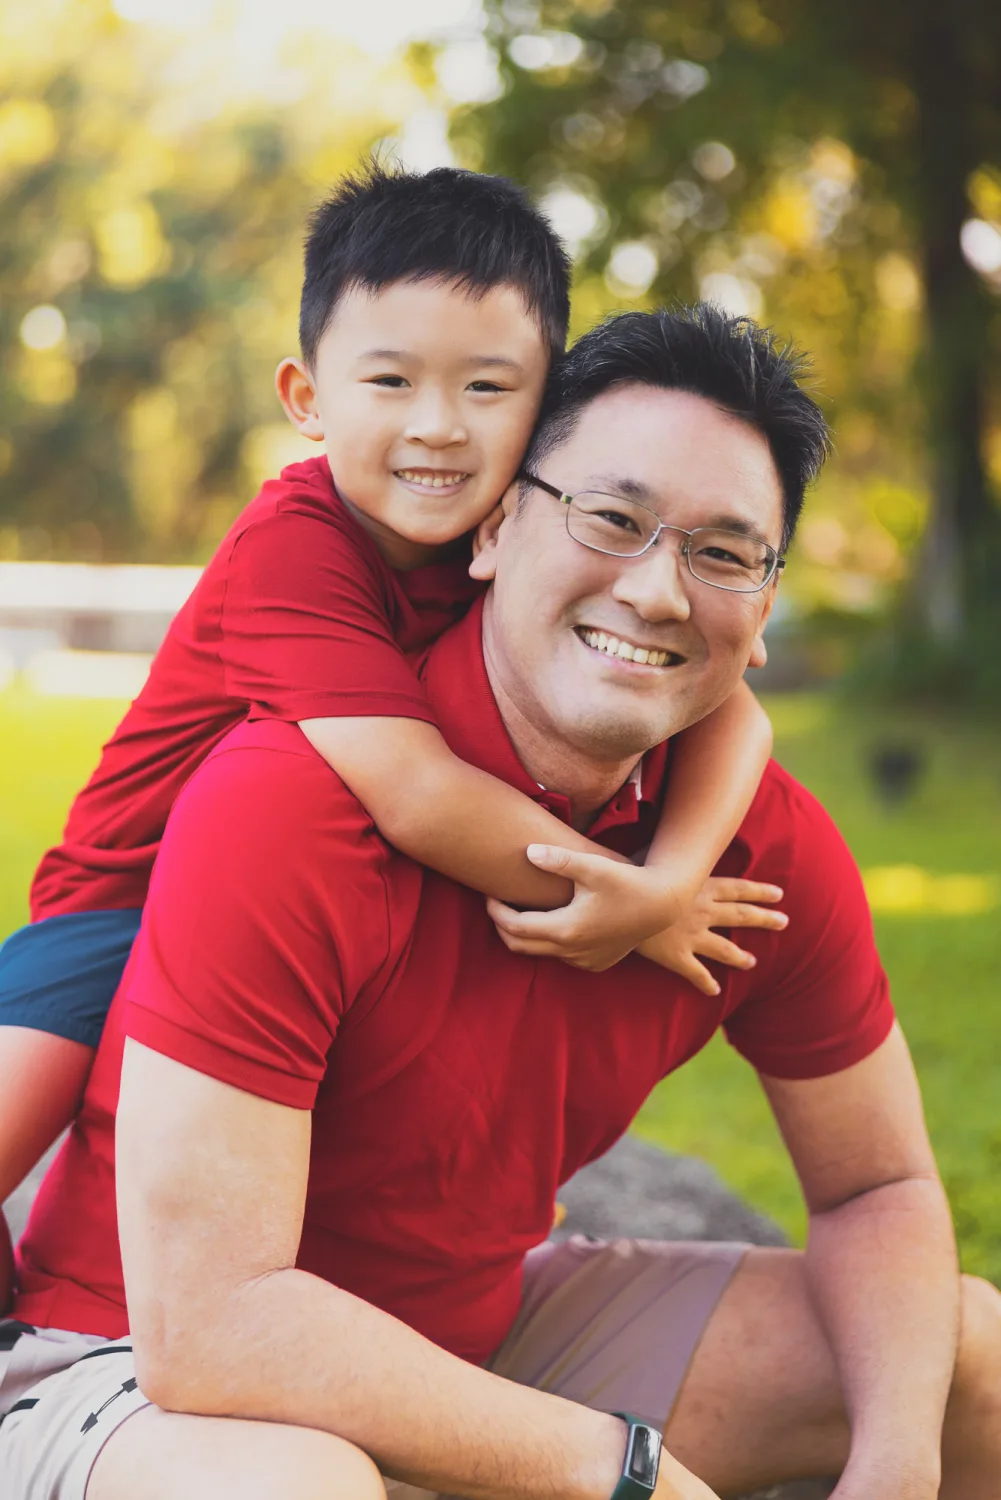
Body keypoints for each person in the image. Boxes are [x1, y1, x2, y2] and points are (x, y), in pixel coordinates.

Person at [7, 303, 999, 1500]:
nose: (657, 592)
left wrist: (893, 1472)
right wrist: (615, 1467)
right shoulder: (293, 800)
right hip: (142, 1374)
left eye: (723, 553)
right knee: (295, 1489)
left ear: (763, 606)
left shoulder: (753, 853)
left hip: (474, 1346)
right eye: (610, 517)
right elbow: (211, 1326)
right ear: (488, 531)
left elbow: (876, 1187)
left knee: (964, 1354)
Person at [0, 168, 775, 1302]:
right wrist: (618, 891)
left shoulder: (523, 544)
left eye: (486, 387)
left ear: (544, 406)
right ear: (308, 397)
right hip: (123, 905)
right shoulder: (294, 546)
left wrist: (672, 881)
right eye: (390, 380)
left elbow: (733, 711)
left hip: (318, 911)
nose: (436, 425)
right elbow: (414, 795)